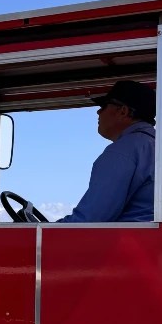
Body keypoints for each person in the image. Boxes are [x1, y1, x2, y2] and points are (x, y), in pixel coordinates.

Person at [57, 80, 156, 223]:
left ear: (123, 111)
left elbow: (90, 219)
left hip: (124, 243)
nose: (98, 111)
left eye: (104, 106)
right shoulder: (158, 146)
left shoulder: (123, 151)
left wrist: (45, 233)